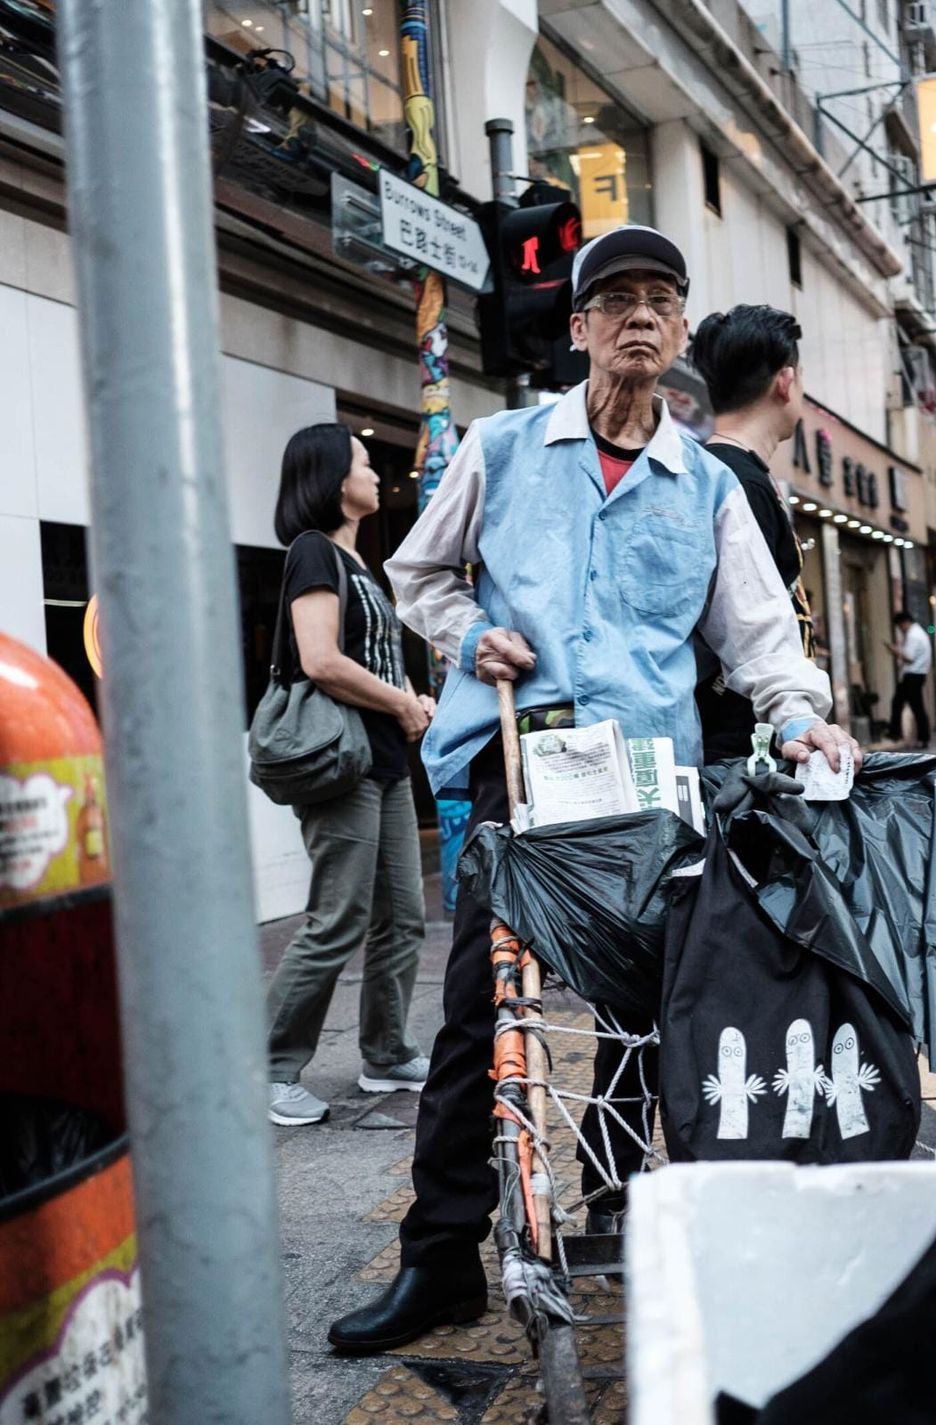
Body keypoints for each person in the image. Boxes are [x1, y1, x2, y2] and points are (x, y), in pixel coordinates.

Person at [326, 223, 861, 1354]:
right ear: (578, 329)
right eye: (615, 299)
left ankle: (615, 1204)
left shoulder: (705, 485)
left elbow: (761, 641)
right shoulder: (504, 446)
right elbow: (417, 573)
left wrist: (798, 717)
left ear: (680, 332)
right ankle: (441, 1258)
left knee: (647, 1010)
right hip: (524, 771)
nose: (639, 316)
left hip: (650, 783)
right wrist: (470, 635)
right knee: (479, 1014)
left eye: (660, 298)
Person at [265, 423, 435, 1127]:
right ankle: (271, 1067)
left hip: (384, 760)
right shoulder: (313, 551)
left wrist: (410, 698)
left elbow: (371, 659)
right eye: (364, 463)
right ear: (336, 478)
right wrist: (401, 701)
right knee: (338, 919)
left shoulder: (358, 563)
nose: (374, 474)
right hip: (343, 763)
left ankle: (386, 1052)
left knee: (404, 916)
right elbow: (320, 659)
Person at [689, 303, 817, 761]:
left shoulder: (716, 473)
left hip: (742, 735)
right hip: (741, 744)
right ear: (786, 381)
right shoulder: (736, 485)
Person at [885, 610, 932, 749]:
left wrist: (895, 651)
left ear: (905, 623)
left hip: (912, 675)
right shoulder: (919, 633)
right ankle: (920, 737)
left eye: (900, 626)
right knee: (913, 706)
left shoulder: (913, 635)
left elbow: (909, 657)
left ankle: (896, 733)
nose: (900, 629)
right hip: (917, 674)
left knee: (904, 704)